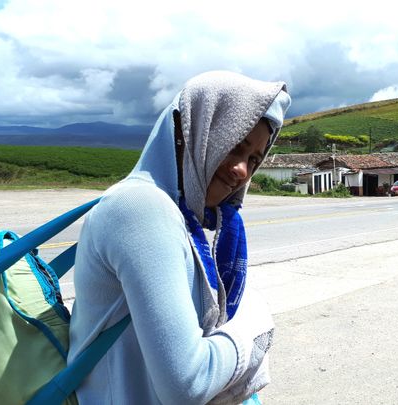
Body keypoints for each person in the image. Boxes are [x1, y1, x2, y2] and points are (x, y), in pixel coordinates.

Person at [68, 71, 291, 404]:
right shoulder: (142, 208)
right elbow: (187, 384)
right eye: (235, 146)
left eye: (254, 159)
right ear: (189, 133)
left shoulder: (179, 215)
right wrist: (256, 321)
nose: (243, 170)